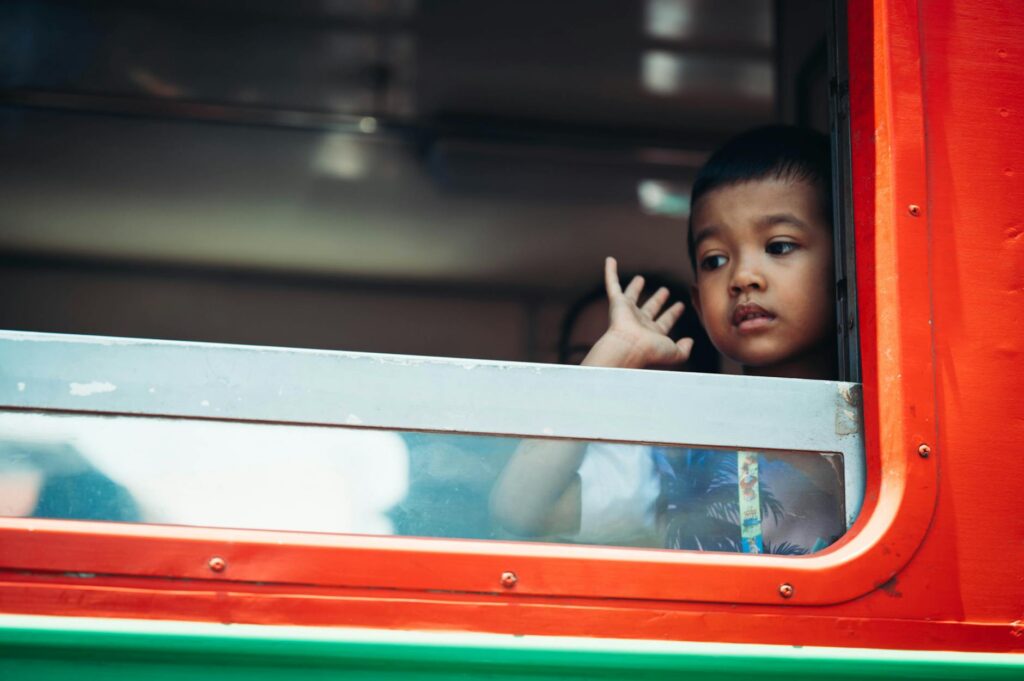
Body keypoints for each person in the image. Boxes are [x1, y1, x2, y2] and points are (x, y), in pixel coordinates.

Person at [490, 126, 846, 554]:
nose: (742, 277)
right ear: (699, 303)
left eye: (779, 246)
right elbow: (519, 508)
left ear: (846, 264)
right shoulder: (679, 452)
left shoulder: (894, 425)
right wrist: (610, 358)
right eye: (715, 259)